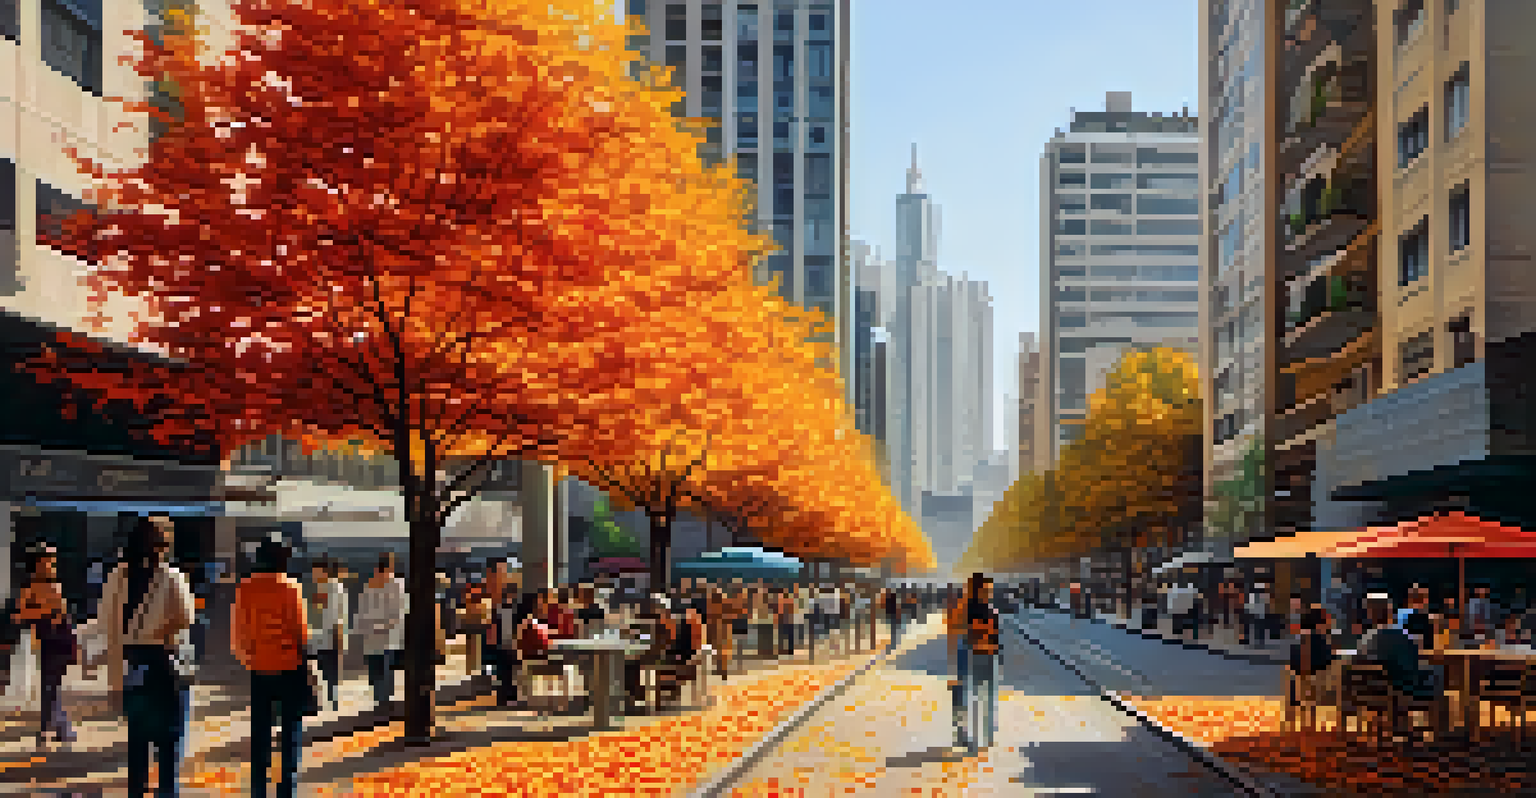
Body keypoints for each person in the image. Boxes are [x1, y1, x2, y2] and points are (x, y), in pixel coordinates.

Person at [100, 515, 196, 798]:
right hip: (165, 666)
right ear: (164, 544)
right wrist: (160, 630)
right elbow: (186, 617)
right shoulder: (171, 576)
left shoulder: (117, 576)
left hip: (132, 666)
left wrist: (114, 681)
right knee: (169, 746)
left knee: (138, 746)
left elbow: (107, 623)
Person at [233, 540, 309, 798]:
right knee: (290, 731)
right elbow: (301, 632)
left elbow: (239, 632)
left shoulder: (245, 588)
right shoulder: (290, 587)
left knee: (260, 732)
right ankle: (286, 789)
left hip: (259, 668)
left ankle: (258, 789)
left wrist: (249, 659)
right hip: (289, 666)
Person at [14, 543, 77, 748]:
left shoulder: (54, 584)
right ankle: (52, 727)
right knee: (49, 684)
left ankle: (55, 727)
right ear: (38, 562)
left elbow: (62, 613)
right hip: (47, 638)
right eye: (48, 559)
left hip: (61, 638)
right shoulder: (31, 586)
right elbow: (21, 614)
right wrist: (46, 613)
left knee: (53, 683)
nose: (51, 563)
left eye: (53, 559)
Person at [1357, 594, 1436, 700]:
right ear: (1389, 611)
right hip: (1406, 692)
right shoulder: (1402, 636)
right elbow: (1414, 663)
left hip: (1376, 693)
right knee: (1436, 672)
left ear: (1370, 614)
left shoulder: (1366, 640)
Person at [356, 552, 406, 707]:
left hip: (384, 638)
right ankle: (382, 702)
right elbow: (399, 612)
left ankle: (383, 702)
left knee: (381, 671)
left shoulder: (393, 585)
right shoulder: (376, 586)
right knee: (379, 672)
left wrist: (368, 627)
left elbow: (397, 614)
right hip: (380, 638)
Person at [964, 574, 1003, 752]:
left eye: (990, 589)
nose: (989, 592)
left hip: (990, 655)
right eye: (986, 589)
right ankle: (976, 737)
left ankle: (987, 736)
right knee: (976, 697)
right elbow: (973, 634)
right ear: (979, 590)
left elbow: (994, 636)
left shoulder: (990, 609)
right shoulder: (974, 610)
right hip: (978, 655)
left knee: (988, 698)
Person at [307, 556, 348, 712]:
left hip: (331, 637)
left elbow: (336, 616)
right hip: (319, 637)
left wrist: (339, 637)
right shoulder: (320, 588)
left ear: (325, 572)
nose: (314, 575)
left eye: (316, 572)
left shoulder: (334, 587)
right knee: (322, 670)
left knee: (330, 670)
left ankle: (332, 700)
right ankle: (325, 700)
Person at [945, 584, 971, 751]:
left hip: (959, 659)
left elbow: (951, 641)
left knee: (960, 700)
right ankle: (963, 733)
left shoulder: (954, 613)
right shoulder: (963, 611)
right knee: (964, 699)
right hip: (965, 659)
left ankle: (961, 732)